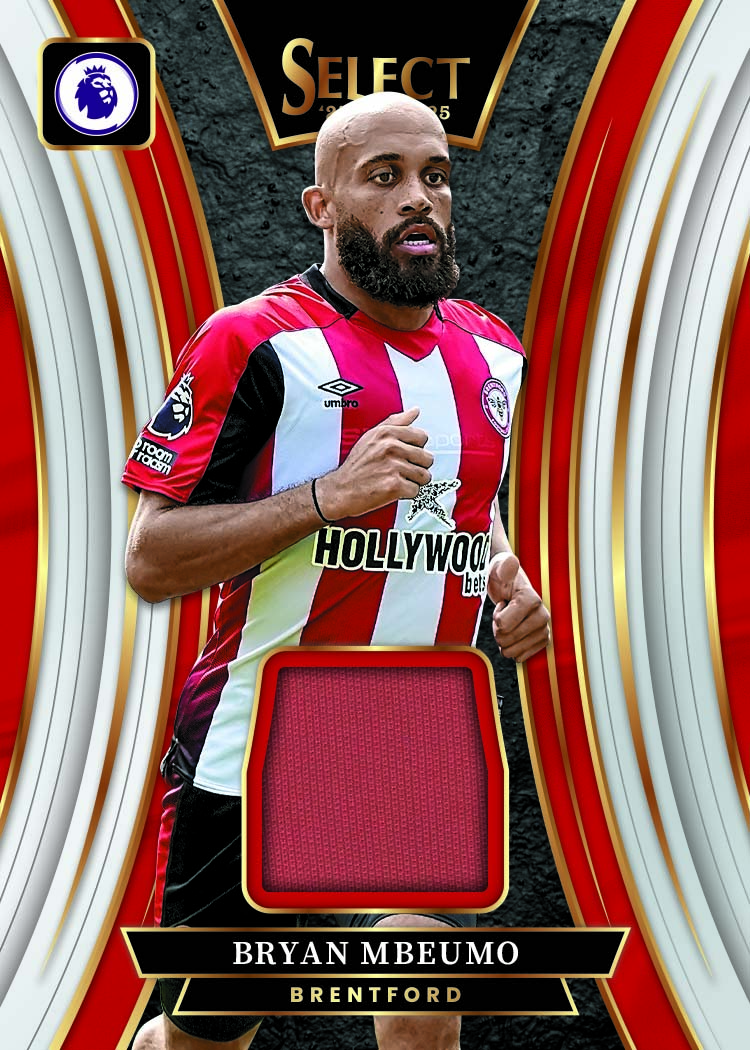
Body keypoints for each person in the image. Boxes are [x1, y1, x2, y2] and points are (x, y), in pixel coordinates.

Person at [125, 92, 551, 1050]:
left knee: (423, 1004)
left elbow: (466, 505)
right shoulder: (252, 341)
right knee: (204, 1037)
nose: (418, 199)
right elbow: (151, 558)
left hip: (408, 730)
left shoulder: (494, 352)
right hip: (258, 735)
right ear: (321, 205)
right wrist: (325, 497)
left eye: (435, 177)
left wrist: (507, 576)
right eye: (384, 177)